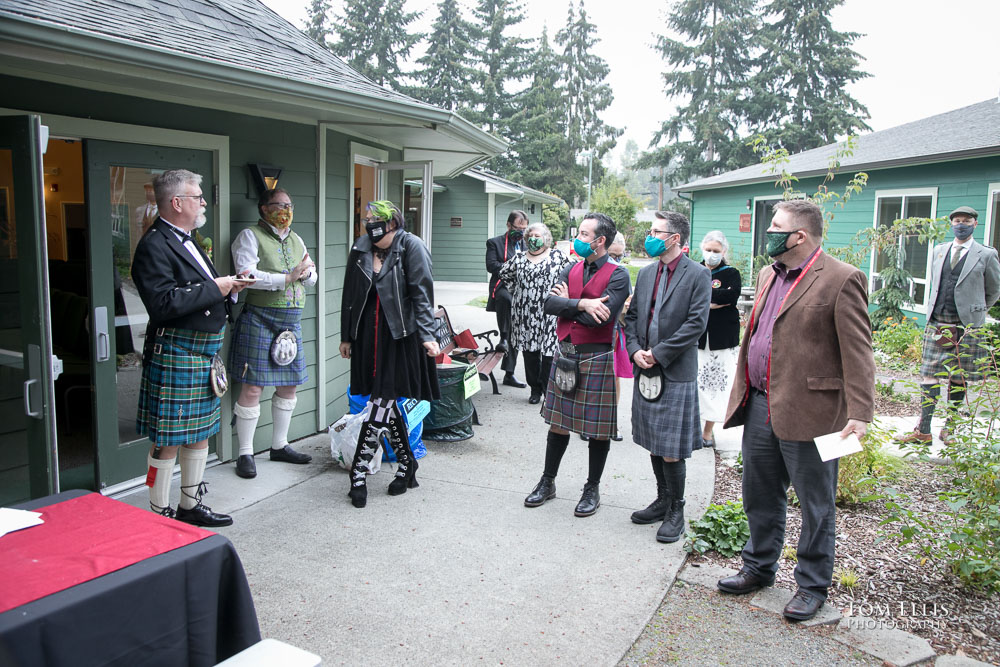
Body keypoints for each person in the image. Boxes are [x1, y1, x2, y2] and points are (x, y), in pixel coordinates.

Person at [716, 199, 875, 622]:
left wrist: (860, 413)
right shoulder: (770, 273)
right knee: (759, 494)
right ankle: (758, 566)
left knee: (816, 504)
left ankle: (811, 585)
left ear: (799, 235)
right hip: (761, 405)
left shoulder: (842, 279)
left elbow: (858, 352)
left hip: (815, 413)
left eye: (776, 226)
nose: (768, 232)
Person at [132, 169, 248, 526]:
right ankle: (158, 511)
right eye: (198, 197)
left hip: (202, 353)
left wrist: (230, 290)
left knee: (199, 433)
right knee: (168, 439)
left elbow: (199, 291)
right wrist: (219, 287)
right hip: (177, 352)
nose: (202, 202)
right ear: (177, 202)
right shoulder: (154, 245)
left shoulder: (189, 238)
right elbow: (164, 304)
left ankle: (189, 506)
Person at [523, 212, 630, 517]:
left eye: (584, 234)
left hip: (597, 356)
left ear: (600, 241)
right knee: (557, 423)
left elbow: (603, 318)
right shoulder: (570, 268)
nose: (578, 239)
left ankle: (592, 488)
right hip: (565, 352)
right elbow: (548, 305)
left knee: (597, 430)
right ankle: (548, 482)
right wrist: (582, 303)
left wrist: (566, 305)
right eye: (579, 233)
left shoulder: (619, 275)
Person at [339, 201, 440, 508]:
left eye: (376, 220)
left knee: (380, 400)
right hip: (368, 335)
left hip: (400, 334)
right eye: (367, 219)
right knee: (386, 399)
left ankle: (358, 473)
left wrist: (428, 336)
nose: (370, 225)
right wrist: (346, 336)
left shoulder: (411, 246)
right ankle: (408, 465)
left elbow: (422, 294)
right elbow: (350, 293)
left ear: (393, 223)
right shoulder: (360, 248)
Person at [624, 212, 711, 542]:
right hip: (644, 367)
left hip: (674, 371)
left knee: (672, 447)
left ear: (675, 238)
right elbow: (631, 317)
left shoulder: (698, 275)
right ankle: (662, 500)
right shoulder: (646, 274)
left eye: (657, 231)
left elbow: (695, 324)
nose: (650, 236)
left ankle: (677, 509)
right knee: (654, 441)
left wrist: (657, 354)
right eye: (650, 231)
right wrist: (635, 351)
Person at [229, 188, 317, 479]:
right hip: (260, 318)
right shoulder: (249, 236)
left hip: (291, 322)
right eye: (279, 205)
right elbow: (246, 275)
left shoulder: (297, 239)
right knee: (252, 387)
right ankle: (245, 453)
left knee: (289, 386)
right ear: (263, 209)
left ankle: (279, 445)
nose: (286, 210)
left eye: (289, 205)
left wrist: (305, 275)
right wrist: (288, 277)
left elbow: (312, 275)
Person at [899, 205, 1000, 444]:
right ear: (951, 224)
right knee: (928, 376)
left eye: (966, 220)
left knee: (959, 378)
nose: (960, 224)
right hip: (937, 322)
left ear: (975, 224)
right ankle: (923, 430)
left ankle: (950, 428)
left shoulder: (986, 254)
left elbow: (994, 290)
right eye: (956, 221)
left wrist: (976, 309)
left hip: (967, 327)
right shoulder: (939, 250)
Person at [497, 222, 569, 404]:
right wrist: (517, 292)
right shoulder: (519, 258)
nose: (533, 239)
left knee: (548, 355)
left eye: (538, 236)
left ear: (546, 239)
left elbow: (571, 275)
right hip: (525, 315)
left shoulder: (558, 256)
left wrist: (563, 294)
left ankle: (547, 390)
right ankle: (534, 389)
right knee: (529, 355)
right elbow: (505, 274)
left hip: (550, 314)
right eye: (531, 236)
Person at [696, 231, 742, 448]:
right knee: (695, 384)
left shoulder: (731, 273)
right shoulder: (695, 270)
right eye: (708, 250)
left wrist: (707, 299)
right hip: (696, 339)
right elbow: (690, 296)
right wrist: (713, 300)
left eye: (716, 251)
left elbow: (730, 296)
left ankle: (707, 432)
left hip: (722, 340)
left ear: (723, 251)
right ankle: (692, 428)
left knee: (716, 387)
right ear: (702, 248)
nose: (711, 254)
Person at [486, 210, 529, 388]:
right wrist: (514, 266)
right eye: (517, 228)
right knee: (506, 300)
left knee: (516, 333)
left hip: (522, 290)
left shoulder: (527, 243)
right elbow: (491, 266)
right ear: (508, 225)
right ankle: (503, 337)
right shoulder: (495, 243)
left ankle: (509, 374)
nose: (520, 232)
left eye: (524, 229)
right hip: (502, 286)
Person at [608, 233, 632, 441]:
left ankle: (611, 422)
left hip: (616, 332)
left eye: (619, 256)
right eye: (611, 255)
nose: (615, 260)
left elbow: (629, 306)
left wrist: (626, 308)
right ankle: (587, 423)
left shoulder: (623, 273)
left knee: (614, 377)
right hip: (593, 333)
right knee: (592, 377)